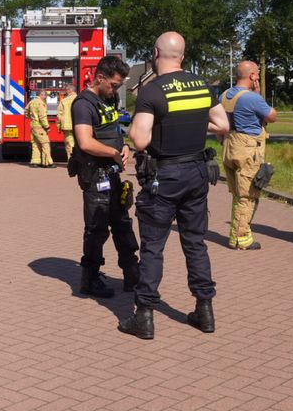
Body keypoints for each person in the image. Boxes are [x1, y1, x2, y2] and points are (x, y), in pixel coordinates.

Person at [118, 31, 229, 340]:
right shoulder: (203, 86)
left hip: (163, 178)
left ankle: (145, 317)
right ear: (183, 54)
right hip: (197, 174)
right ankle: (205, 311)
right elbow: (222, 125)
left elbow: (139, 139)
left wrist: (162, 124)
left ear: (156, 53)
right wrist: (191, 122)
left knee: (153, 247)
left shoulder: (152, 91)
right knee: (195, 242)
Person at [71, 57, 139, 298]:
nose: (116, 90)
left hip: (112, 174)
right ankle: (89, 279)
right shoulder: (83, 104)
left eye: (119, 85)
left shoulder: (111, 98)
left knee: (121, 222)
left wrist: (126, 147)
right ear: (100, 78)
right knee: (97, 229)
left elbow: (115, 130)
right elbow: (85, 142)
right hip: (94, 174)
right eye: (113, 84)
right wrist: (112, 153)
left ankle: (132, 272)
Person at [220, 61, 277, 250]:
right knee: (248, 195)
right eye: (257, 74)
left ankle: (236, 234)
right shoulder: (252, 98)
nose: (259, 77)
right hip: (247, 150)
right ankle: (241, 238)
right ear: (252, 76)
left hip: (229, 146)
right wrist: (259, 94)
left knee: (237, 194)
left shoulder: (224, 96)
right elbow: (271, 116)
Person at [25, 90, 53, 168]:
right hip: (40, 126)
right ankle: (47, 163)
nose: (46, 97)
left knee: (35, 144)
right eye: (45, 96)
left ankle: (35, 162)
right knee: (45, 143)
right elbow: (42, 116)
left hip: (33, 125)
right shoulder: (41, 103)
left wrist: (32, 118)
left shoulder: (31, 102)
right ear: (41, 95)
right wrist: (47, 126)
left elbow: (26, 111)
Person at [58, 84, 78, 158]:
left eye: (66, 90)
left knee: (69, 144)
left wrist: (59, 127)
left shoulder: (64, 101)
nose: (66, 92)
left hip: (67, 126)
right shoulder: (81, 99)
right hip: (80, 126)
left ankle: (71, 161)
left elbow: (59, 115)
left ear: (69, 90)